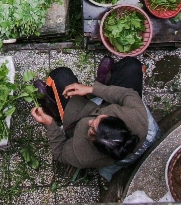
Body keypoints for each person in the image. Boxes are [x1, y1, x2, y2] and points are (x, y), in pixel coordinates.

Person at [30, 56, 161, 181]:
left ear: (96, 146)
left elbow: (59, 152)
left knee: (60, 75)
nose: (90, 121)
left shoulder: (84, 154)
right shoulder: (136, 116)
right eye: (98, 120)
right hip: (105, 104)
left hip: (77, 117)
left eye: (91, 130)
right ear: (115, 119)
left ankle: (53, 109)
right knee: (132, 66)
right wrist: (92, 89)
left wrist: (50, 124)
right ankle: (104, 82)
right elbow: (127, 94)